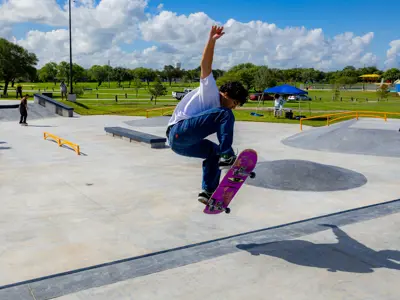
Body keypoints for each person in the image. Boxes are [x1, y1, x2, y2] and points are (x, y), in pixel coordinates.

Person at [166, 25, 249, 204]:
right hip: (179, 131)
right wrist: (211, 41)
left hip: (181, 145)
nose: (234, 107)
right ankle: (227, 155)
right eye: (234, 103)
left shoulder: (217, 109)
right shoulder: (210, 90)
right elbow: (205, 65)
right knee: (224, 115)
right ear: (226, 94)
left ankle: (208, 191)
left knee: (214, 152)